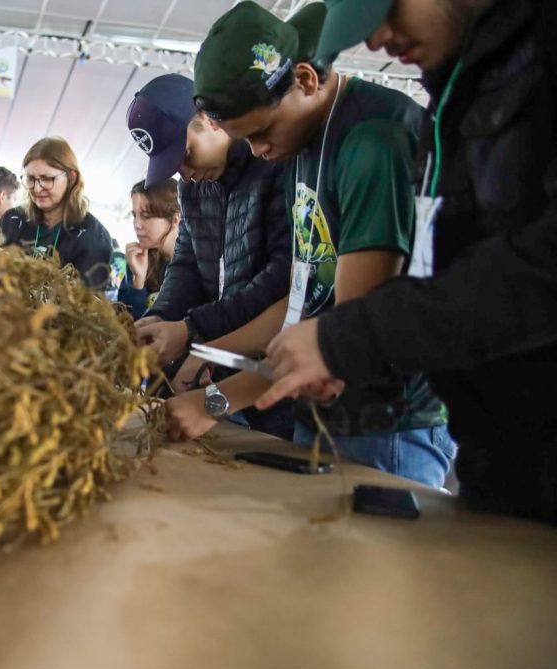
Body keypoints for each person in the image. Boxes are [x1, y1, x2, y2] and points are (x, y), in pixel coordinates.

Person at [257, 0, 557, 521]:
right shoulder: (461, 86)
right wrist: (358, 355)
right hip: (506, 470)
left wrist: (352, 337)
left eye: (388, 9)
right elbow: (447, 272)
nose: (376, 40)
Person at [165, 1, 455, 489]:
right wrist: (206, 347)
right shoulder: (300, 145)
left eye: (261, 132)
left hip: (387, 428)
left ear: (304, 80)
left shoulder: (372, 144)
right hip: (320, 412)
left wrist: (215, 401)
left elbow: (346, 324)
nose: (259, 151)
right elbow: (304, 296)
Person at [126, 72, 294, 439]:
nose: (186, 174)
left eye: (186, 155)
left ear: (210, 122)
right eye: (174, 167)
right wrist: (156, 318)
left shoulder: (275, 167)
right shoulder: (193, 190)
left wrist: (194, 333)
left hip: (275, 380)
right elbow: (186, 266)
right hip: (227, 380)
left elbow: (282, 281)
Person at [1, 137, 112, 290]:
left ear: (72, 178)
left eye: (47, 179)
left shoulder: (93, 237)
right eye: (31, 179)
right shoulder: (13, 220)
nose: (37, 188)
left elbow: (87, 306)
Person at [118, 178, 180, 320]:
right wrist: (138, 281)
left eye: (146, 216)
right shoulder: (135, 262)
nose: (137, 225)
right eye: (134, 215)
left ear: (175, 219)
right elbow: (122, 326)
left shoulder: (195, 265)